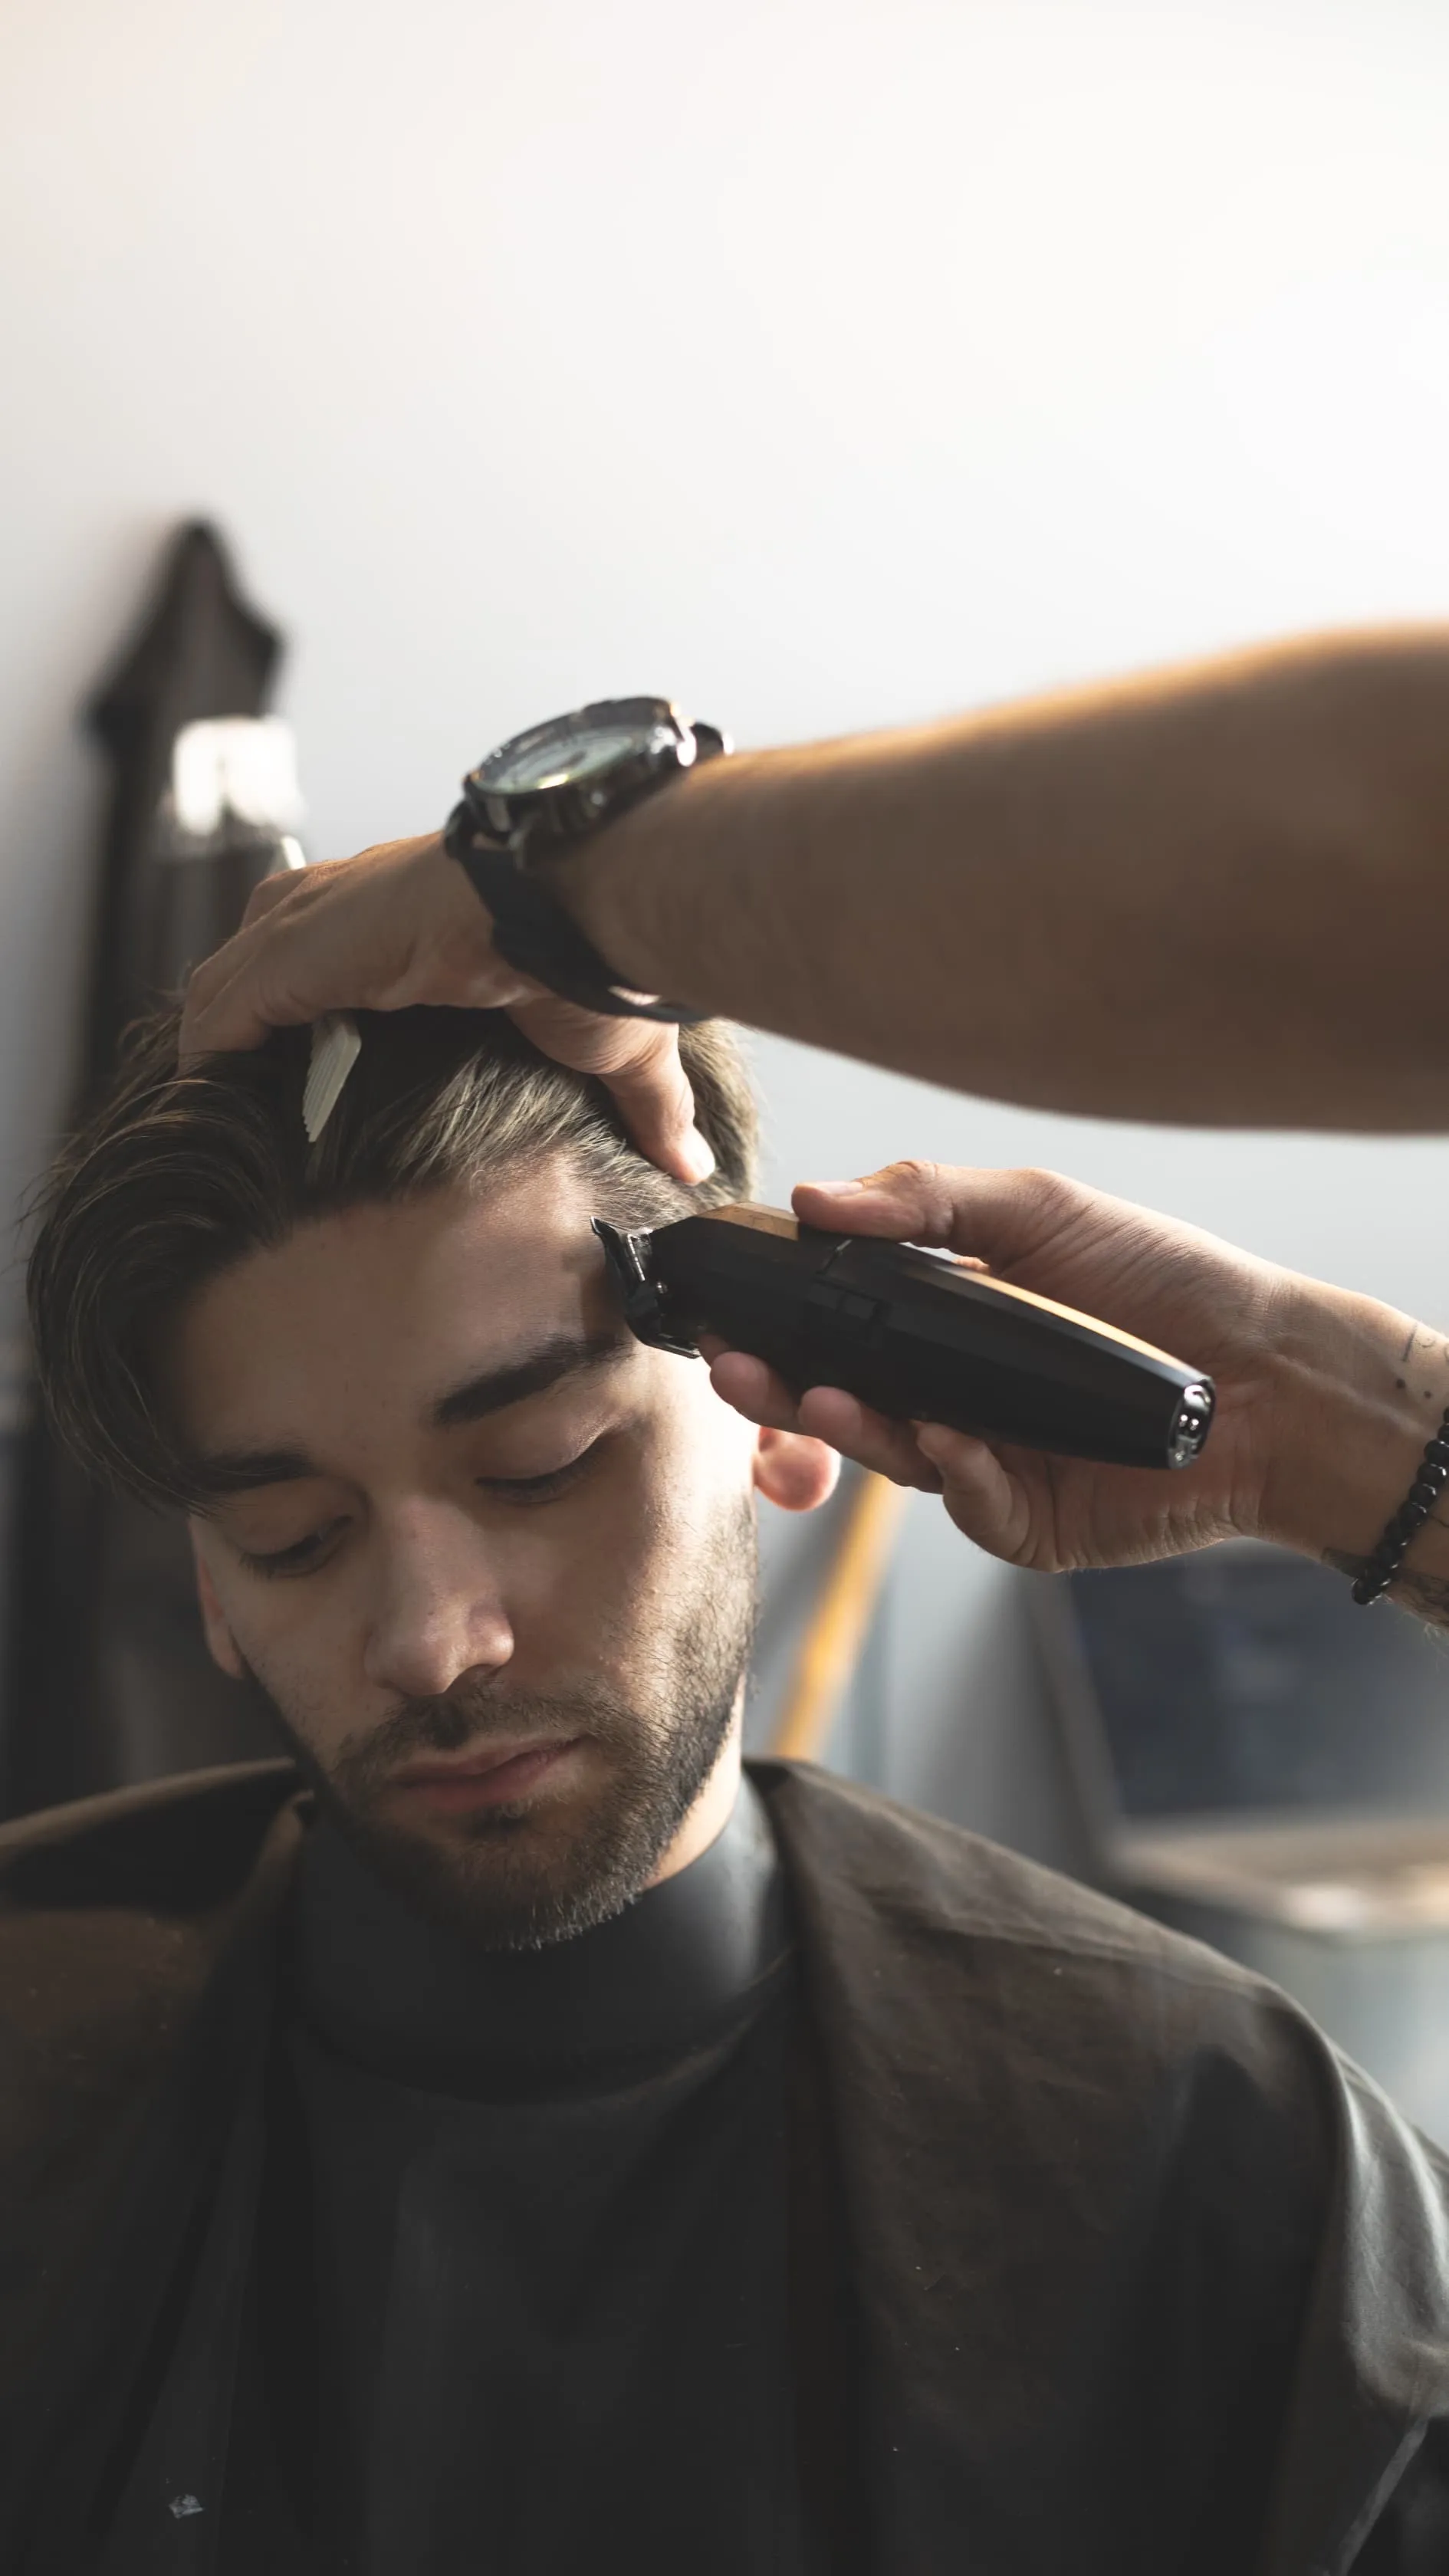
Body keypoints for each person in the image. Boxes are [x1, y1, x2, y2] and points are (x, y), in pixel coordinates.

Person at [8, 1001, 1449, 2572]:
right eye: (293, 1536)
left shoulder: (1227, 2165)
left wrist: (1346, 1434)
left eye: (543, 1462)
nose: (428, 1642)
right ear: (211, 1587)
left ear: (772, 1419)